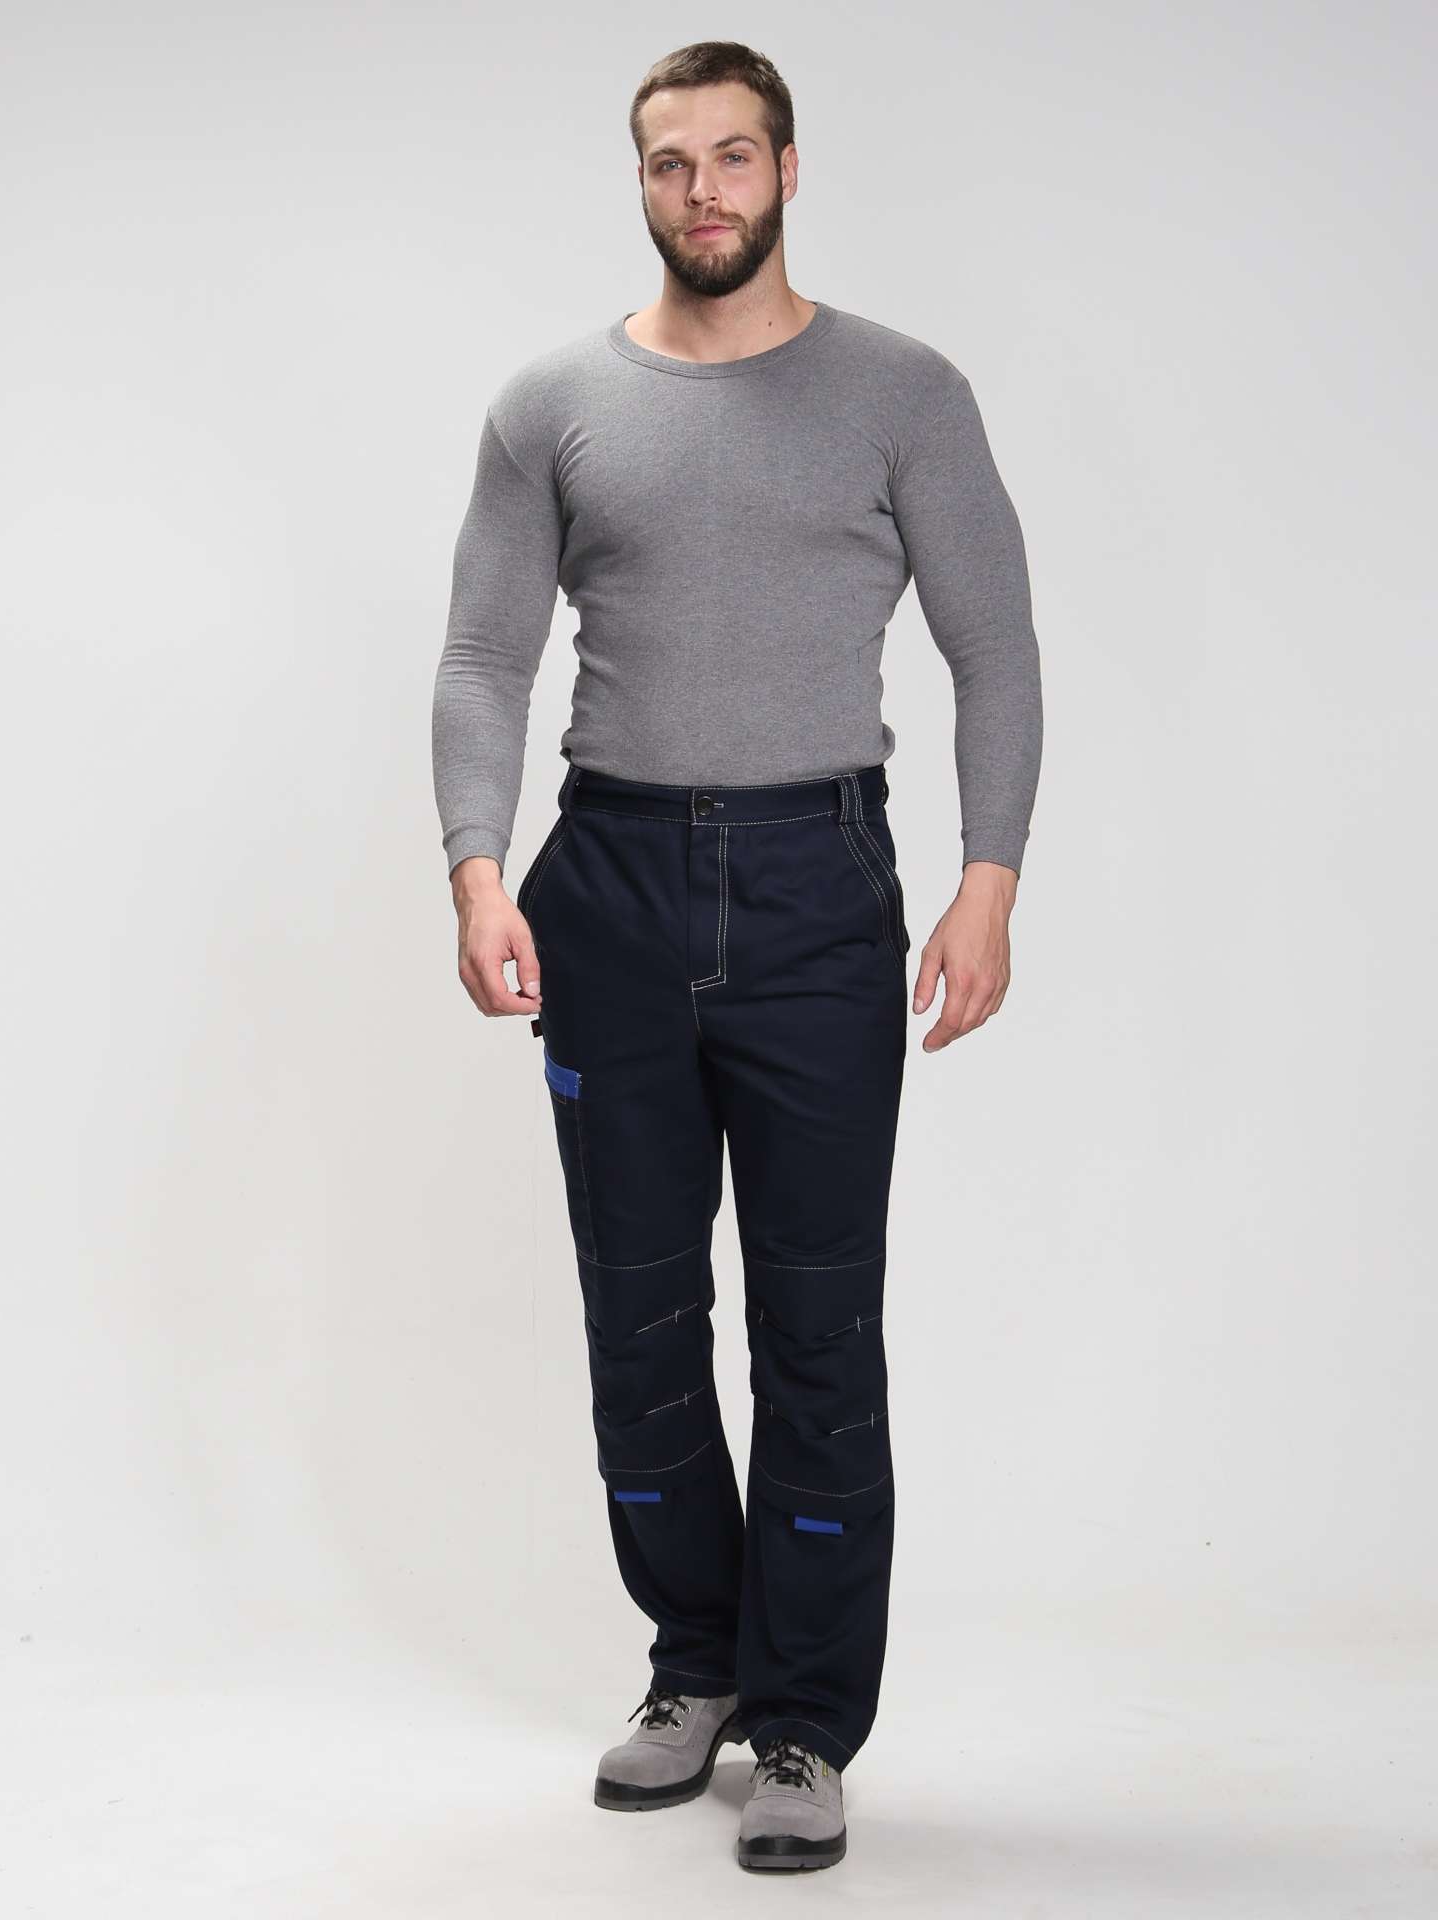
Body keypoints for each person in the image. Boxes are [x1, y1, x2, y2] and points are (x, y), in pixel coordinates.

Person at [431, 38, 1043, 1874]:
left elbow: (995, 648)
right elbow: (485, 659)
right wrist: (476, 871)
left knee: (817, 1326)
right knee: (638, 1319)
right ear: (640, 181)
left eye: (733, 157)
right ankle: (692, 1666)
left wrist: (989, 880)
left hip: (813, 888)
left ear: (789, 168)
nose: (703, 191)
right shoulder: (554, 403)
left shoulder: (902, 393)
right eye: (670, 163)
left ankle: (802, 1725)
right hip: (608, 879)